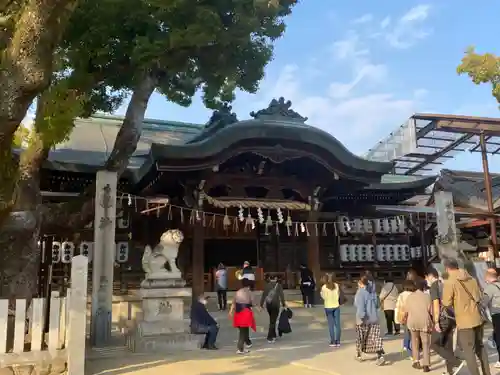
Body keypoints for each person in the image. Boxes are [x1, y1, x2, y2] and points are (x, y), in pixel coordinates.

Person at [442, 258, 490, 375]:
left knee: (469, 351)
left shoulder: (450, 282)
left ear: (447, 268)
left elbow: (446, 303)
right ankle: (487, 373)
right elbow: (479, 297)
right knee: (480, 348)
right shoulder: (472, 279)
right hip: (478, 318)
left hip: (464, 322)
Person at [426, 266, 463, 375]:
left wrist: (436, 321)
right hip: (453, 317)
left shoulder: (434, 285)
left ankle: (456, 362)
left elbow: (436, 304)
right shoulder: (447, 283)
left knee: (434, 344)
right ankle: (450, 370)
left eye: (426, 278)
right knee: (447, 343)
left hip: (443, 317)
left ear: (430, 276)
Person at [354, 275, 385, 365]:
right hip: (374, 318)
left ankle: (359, 354)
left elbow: (360, 307)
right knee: (375, 338)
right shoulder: (373, 293)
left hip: (364, 320)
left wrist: (361, 317)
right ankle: (380, 356)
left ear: (360, 283)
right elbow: (377, 305)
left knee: (361, 337)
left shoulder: (360, 293)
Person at [405, 279, 433, 372]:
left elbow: (406, 310)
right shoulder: (427, 297)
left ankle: (416, 361)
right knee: (425, 342)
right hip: (424, 321)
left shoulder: (409, 297)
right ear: (424, 287)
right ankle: (426, 365)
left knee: (415, 341)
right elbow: (431, 311)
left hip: (412, 321)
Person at [229, 278, 256, 354]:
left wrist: (231, 311)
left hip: (238, 312)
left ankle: (246, 343)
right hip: (245, 312)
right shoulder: (249, 292)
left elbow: (233, 303)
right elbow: (253, 303)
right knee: (243, 331)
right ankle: (240, 348)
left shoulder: (238, 292)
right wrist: (258, 308)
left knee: (243, 329)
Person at [260, 275, 286, 343]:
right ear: (276, 278)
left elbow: (263, 295)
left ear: (269, 278)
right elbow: (282, 295)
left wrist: (261, 304)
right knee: (273, 321)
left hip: (268, 305)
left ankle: (273, 335)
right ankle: (269, 337)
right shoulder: (279, 286)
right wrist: (283, 304)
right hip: (276, 305)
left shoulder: (267, 285)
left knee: (272, 319)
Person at [395, 279, 417, 357]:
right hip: (413, 315)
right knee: (413, 333)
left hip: (404, 316)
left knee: (406, 332)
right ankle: (410, 348)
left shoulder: (401, 295)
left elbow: (398, 306)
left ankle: (406, 346)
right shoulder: (414, 294)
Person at [483, 268, 500, 368]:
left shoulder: (489, 288)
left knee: (498, 338)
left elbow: (483, 303)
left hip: (497, 315)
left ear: (488, 278)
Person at [321, 273, 342, 347]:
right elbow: (339, 295)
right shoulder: (337, 286)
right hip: (336, 306)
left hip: (328, 306)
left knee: (331, 325)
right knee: (337, 324)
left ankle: (332, 341)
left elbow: (323, 297)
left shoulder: (324, 287)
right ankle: (338, 341)